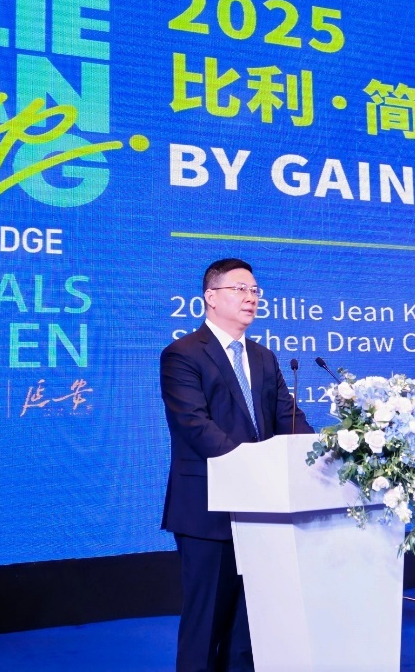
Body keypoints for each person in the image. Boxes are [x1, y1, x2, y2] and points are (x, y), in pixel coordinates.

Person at [160, 258, 314, 672]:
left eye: (255, 290)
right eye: (240, 289)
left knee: (250, 628)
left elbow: (289, 417)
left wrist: (319, 452)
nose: (251, 298)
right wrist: (254, 468)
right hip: (207, 508)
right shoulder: (182, 354)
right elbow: (195, 425)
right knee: (206, 622)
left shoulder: (263, 357)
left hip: (264, 510)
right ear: (211, 297)